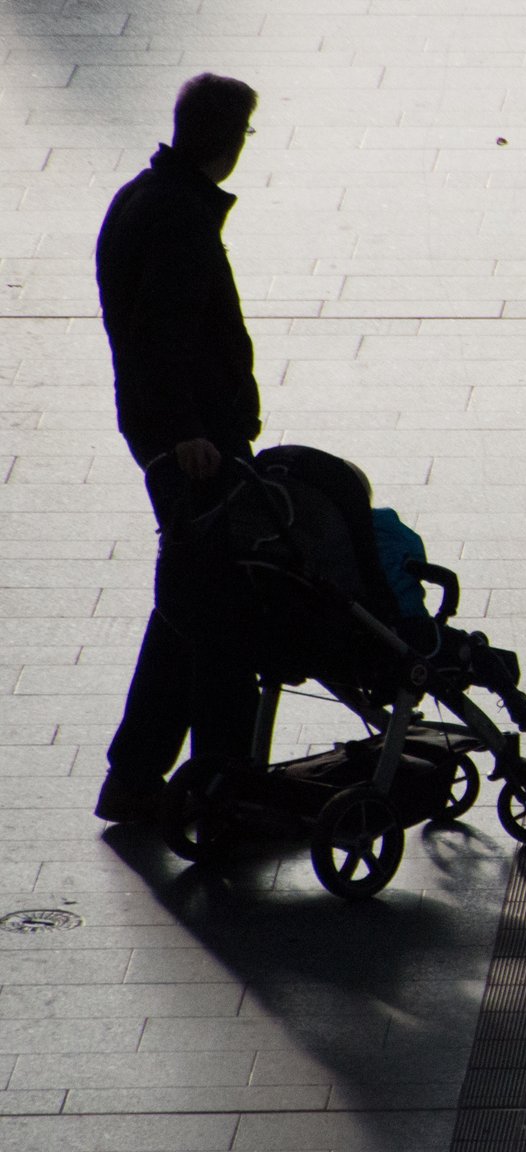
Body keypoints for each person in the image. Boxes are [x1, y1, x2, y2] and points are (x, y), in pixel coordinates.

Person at [92, 73, 263, 822]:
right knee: (222, 617)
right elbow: (164, 333)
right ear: (227, 140)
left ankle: (134, 776)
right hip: (194, 448)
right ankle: (225, 786)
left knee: (188, 605)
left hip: (176, 437)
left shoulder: (147, 197)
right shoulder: (178, 218)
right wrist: (190, 431)